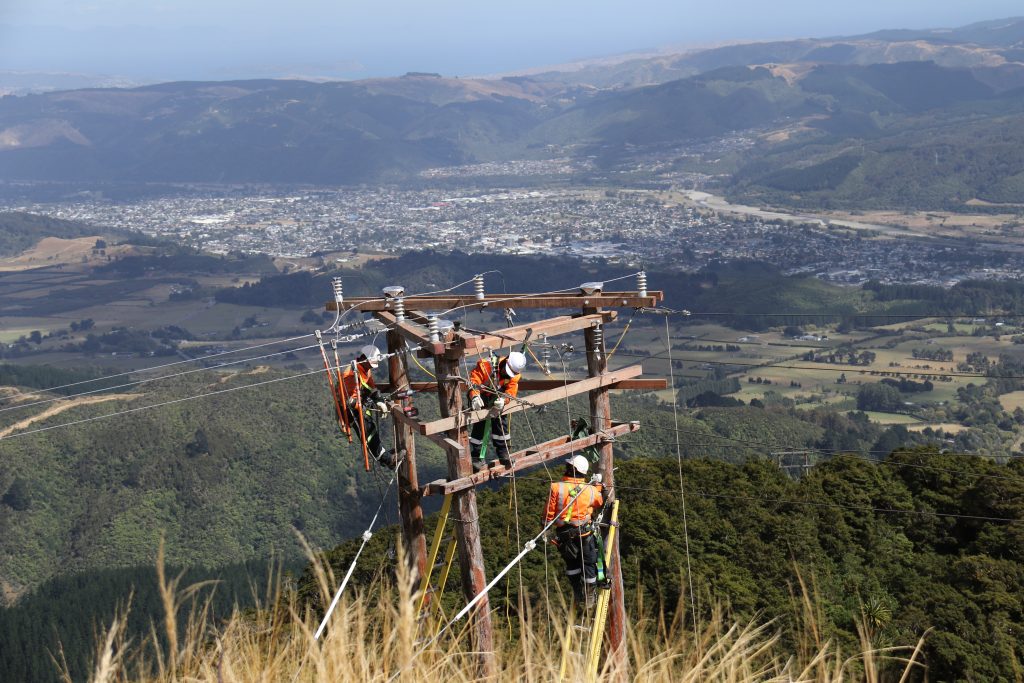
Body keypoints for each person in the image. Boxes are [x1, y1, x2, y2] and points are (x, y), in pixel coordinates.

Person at [544, 455, 604, 607]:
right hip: (584, 535)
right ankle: (589, 597)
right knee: (588, 564)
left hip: (564, 536)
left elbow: (548, 514)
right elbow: (599, 501)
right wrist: (598, 486)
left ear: (573, 469)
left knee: (572, 565)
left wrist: (546, 529)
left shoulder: (556, 487)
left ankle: (578, 593)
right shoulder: (590, 490)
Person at [467, 350, 527, 472]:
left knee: (500, 422)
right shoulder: (486, 366)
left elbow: (511, 392)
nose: (507, 375)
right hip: (481, 396)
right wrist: (474, 396)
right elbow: (473, 382)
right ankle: (476, 457)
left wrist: (504, 400)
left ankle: (504, 453)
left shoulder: (514, 375)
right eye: (506, 371)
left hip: (497, 396)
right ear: (505, 362)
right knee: (480, 424)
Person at [340, 344, 396, 469]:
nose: (372, 367)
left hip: (360, 405)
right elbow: (349, 400)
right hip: (351, 411)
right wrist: (363, 408)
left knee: (372, 429)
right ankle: (387, 460)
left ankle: (384, 455)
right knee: (369, 433)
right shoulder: (350, 374)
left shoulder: (365, 369)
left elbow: (370, 387)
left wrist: (379, 400)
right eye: (371, 364)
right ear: (364, 358)